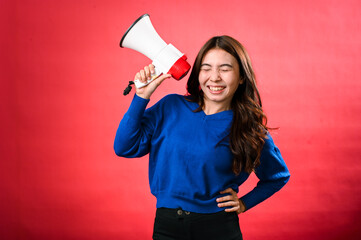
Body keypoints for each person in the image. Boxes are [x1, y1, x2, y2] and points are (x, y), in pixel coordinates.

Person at [114, 35, 290, 240]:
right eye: (206, 68)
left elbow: (277, 176)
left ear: (242, 77)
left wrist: (244, 203)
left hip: (218, 228)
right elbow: (124, 147)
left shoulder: (249, 128)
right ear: (198, 74)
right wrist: (141, 96)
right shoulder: (170, 107)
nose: (214, 77)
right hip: (167, 226)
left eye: (225, 69)